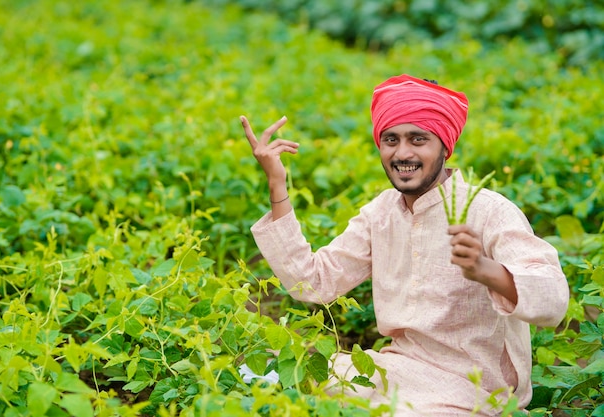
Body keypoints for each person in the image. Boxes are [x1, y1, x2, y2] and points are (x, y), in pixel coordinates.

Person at [240, 74, 569, 416]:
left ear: (444, 145)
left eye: (418, 139)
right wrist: (277, 185)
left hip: (474, 390)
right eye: (391, 140)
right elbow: (314, 282)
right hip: (396, 372)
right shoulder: (381, 213)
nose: (403, 153)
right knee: (285, 375)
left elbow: (553, 298)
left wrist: (486, 270)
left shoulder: (489, 211)